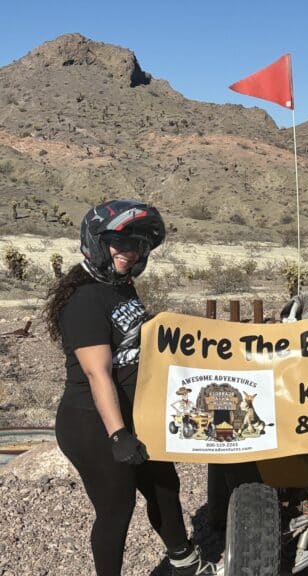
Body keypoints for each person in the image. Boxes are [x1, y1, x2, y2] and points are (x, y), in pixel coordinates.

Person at [42, 200, 220, 576]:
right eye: (121, 243)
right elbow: (97, 374)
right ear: (96, 241)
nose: (130, 252)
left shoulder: (121, 289)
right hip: (93, 421)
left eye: (138, 244)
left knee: (164, 488)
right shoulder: (86, 299)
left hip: (134, 413)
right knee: (115, 509)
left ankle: (186, 564)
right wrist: (119, 434)